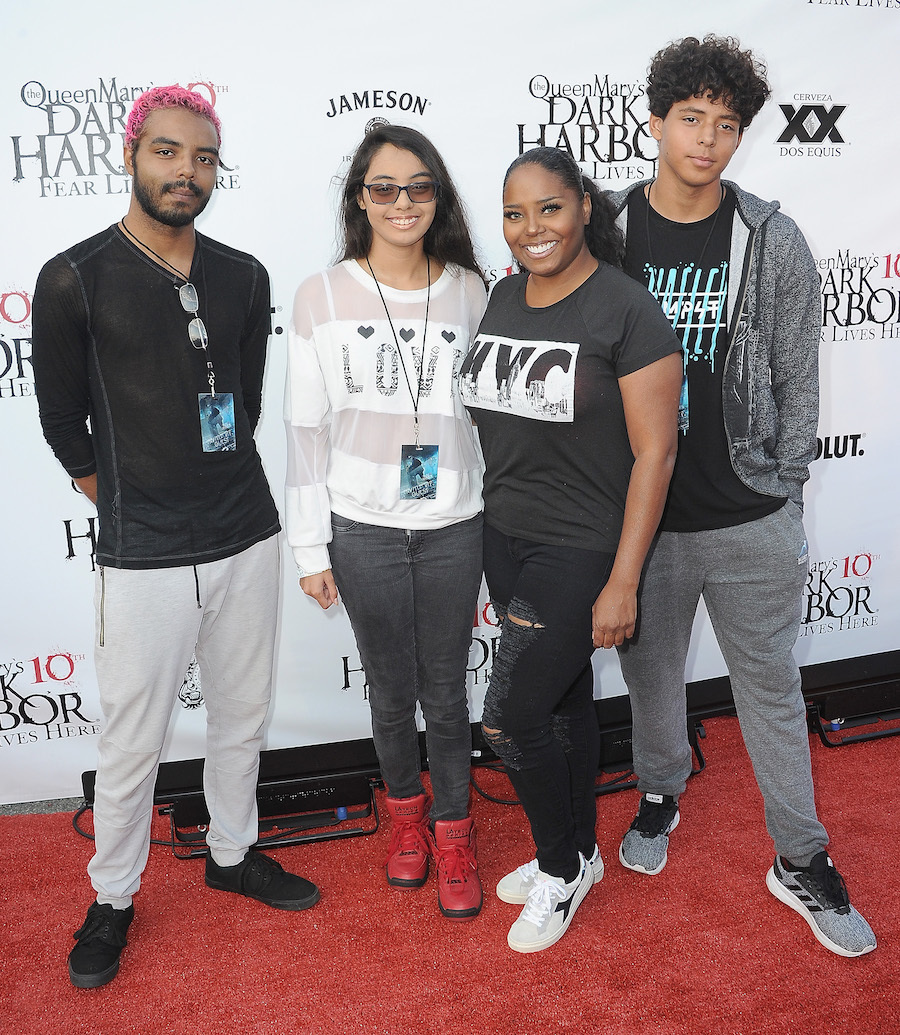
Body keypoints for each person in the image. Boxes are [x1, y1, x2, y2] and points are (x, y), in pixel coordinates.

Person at [32, 86, 320, 990]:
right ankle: (114, 895)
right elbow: (63, 421)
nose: (184, 172)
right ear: (132, 155)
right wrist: (126, 495)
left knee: (243, 713)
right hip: (144, 546)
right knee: (131, 738)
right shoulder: (74, 275)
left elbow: (246, 395)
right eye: (167, 153)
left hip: (245, 529)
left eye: (201, 158)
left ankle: (232, 853)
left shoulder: (245, 273)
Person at [608, 35, 876, 958]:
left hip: (752, 514)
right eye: (693, 119)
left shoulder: (772, 236)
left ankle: (801, 856)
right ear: (654, 123)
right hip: (643, 521)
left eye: (727, 125)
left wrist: (786, 488)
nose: (709, 140)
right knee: (650, 680)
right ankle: (656, 791)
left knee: (771, 688)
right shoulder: (606, 232)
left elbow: (801, 377)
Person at [459, 147, 682, 953]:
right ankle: (583, 852)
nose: (531, 229)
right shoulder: (501, 296)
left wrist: (623, 579)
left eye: (549, 208)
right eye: (515, 214)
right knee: (559, 704)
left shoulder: (626, 308)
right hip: (504, 530)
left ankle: (559, 865)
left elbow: (656, 453)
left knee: (509, 716)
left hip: (583, 540)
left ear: (585, 205)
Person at [285, 125, 487, 920]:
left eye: (419, 187)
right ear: (359, 198)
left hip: (454, 521)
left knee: (446, 691)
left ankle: (454, 831)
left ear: (438, 196)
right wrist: (309, 544)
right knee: (391, 690)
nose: (402, 203)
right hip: (359, 523)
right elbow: (303, 429)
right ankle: (405, 819)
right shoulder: (320, 295)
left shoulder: (472, 289)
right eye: (384, 188)